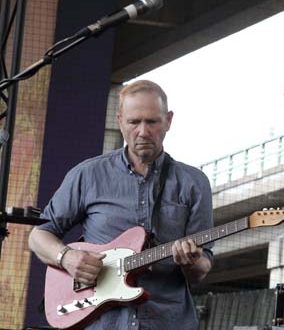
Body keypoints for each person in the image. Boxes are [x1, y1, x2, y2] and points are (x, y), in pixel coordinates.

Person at [29, 80, 213, 329]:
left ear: (168, 120)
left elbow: (202, 269)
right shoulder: (88, 174)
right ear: (119, 121)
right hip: (101, 322)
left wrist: (192, 262)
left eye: (152, 122)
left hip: (167, 321)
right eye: (134, 122)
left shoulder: (194, 183)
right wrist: (67, 257)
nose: (143, 131)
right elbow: (39, 236)